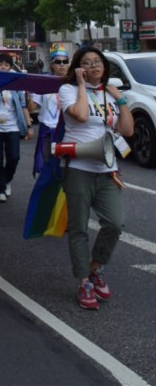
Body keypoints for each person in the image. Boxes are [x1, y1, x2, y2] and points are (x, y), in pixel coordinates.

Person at [59, 47, 134, 310]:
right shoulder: (68, 90)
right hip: (79, 167)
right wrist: (80, 84)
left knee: (115, 223)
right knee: (78, 227)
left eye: (97, 62)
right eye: (86, 63)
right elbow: (80, 115)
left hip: (107, 170)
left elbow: (127, 130)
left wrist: (121, 101)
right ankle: (83, 282)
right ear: (79, 68)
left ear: (104, 66)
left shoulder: (111, 94)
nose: (93, 66)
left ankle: (95, 267)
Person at [0, 52, 33, 202]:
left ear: (10, 67)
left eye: (6, 65)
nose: (3, 67)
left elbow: (23, 106)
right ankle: (0, 190)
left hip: (13, 127)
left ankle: (6, 180)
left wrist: (29, 126)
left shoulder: (16, 83)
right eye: (0, 64)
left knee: (14, 157)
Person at [33, 49, 69, 176]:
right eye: (58, 62)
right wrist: (30, 90)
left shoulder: (72, 83)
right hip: (48, 129)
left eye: (65, 61)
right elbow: (32, 107)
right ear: (52, 65)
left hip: (67, 130)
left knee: (65, 164)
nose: (62, 65)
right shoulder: (45, 82)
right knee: (47, 163)